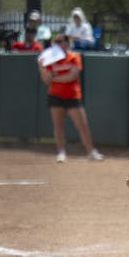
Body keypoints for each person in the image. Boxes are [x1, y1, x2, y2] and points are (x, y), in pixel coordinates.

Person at [37, 33, 104, 163]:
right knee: (58, 126)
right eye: (56, 42)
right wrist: (41, 68)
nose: (57, 44)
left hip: (72, 95)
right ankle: (61, 152)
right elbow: (46, 80)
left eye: (60, 41)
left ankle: (90, 152)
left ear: (67, 43)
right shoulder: (50, 60)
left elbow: (72, 76)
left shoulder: (74, 57)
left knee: (82, 125)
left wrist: (54, 79)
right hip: (55, 95)